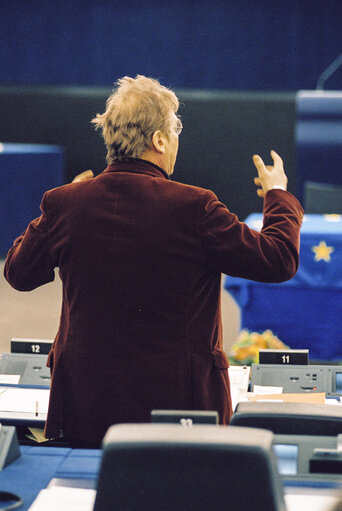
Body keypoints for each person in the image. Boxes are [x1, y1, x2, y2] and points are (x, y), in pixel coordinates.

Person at [4, 75, 303, 447]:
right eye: (175, 128)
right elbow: (278, 260)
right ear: (159, 140)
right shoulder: (196, 206)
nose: (177, 137)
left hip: (86, 403)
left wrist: (58, 210)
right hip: (180, 409)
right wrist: (278, 196)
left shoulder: (65, 203)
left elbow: (18, 272)